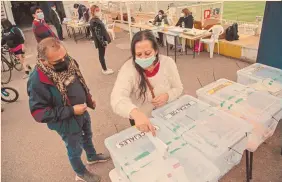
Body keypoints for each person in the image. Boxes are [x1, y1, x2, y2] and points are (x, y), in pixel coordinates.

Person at [27, 37, 110, 182]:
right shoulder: (37, 80)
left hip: (82, 111)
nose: (64, 61)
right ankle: (80, 173)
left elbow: (79, 81)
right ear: (44, 61)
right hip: (66, 122)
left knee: (87, 135)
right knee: (74, 148)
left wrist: (88, 98)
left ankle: (91, 156)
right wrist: (71, 111)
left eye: (65, 56)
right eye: (58, 61)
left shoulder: (68, 61)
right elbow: (38, 113)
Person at [111, 30, 183, 134]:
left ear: (156, 50)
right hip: (143, 121)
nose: (143, 58)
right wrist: (135, 113)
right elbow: (117, 98)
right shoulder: (128, 69)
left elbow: (178, 88)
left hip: (166, 114)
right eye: (139, 54)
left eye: (148, 53)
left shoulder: (168, 63)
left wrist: (167, 96)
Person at [89, 5, 114, 75]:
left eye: (99, 10)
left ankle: (105, 68)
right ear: (93, 12)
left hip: (101, 41)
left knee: (102, 55)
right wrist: (103, 43)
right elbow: (98, 34)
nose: (98, 11)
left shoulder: (96, 19)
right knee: (101, 56)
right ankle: (105, 69)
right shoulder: (94, 21)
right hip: (101, 42)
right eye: (96, 10)